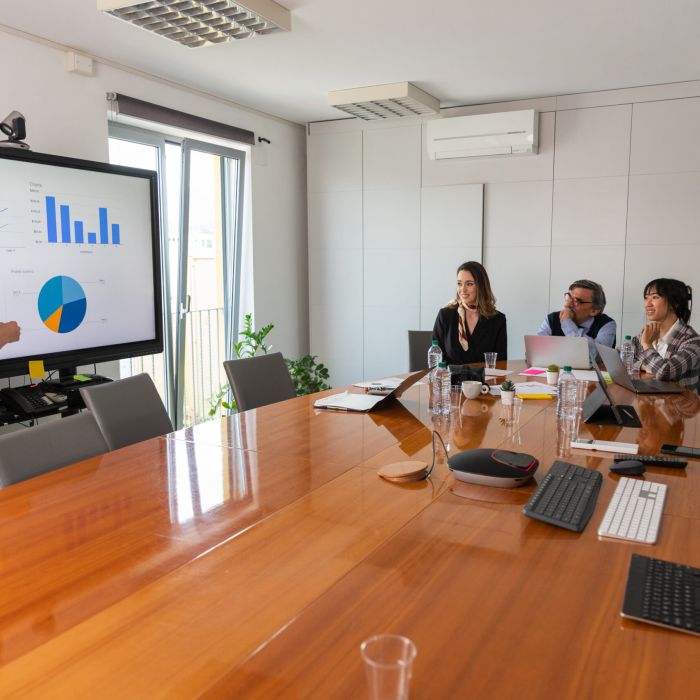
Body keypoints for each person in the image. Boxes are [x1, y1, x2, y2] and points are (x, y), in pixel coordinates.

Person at [631, 278, 700, 391]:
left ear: (675, 303)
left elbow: (665, 372)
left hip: (678, 406)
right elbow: (622, 355)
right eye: (646, 298)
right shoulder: (649, 331)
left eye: (655, 297)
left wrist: (647, 344)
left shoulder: (692, 340)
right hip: (650, 399)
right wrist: (642, 366)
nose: (647, 304)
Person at [432, 261, 506, 365]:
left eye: (469, 284)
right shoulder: (445, 315)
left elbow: (501, 364)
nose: (463, 289)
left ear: (481, 286)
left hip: (485, 381)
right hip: (450, 380)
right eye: (459, 284)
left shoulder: (497, 319)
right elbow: (436, 361)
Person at [537, 279, 616, 354]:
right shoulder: (551, 319)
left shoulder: (607, 324)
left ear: (594, 310)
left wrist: (567, 324)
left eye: (576, 301)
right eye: (569, 298)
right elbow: (536, 352)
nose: (567, 304)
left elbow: (599, 355)